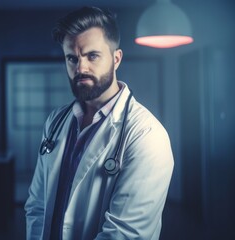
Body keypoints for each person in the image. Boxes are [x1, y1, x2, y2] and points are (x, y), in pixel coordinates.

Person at [24, 6, 174, 240]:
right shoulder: (56, 121)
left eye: (92, 56)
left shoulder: (147, 135)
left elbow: (125, 234)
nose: (80, 68)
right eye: (72, 58)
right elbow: (36, 207)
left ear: (116, 59)